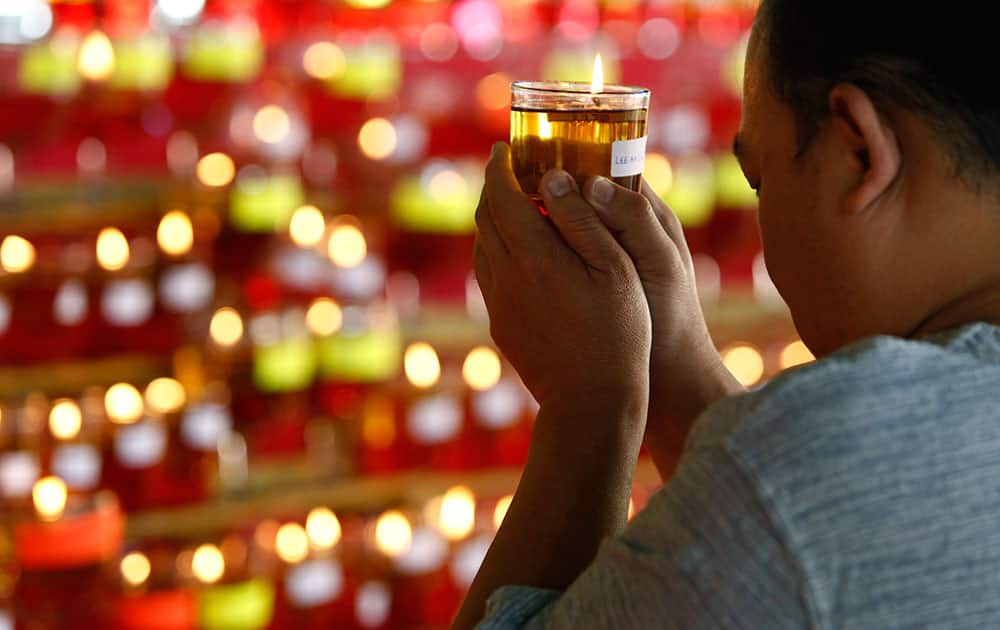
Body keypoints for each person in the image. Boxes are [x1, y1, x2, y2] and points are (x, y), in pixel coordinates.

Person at [452, 0, 1000, 628]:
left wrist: (592, 408)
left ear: (858, 152)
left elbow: (791, 518)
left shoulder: (825, 463)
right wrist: (673, 363)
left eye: (759, 179)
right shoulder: (804, 480)